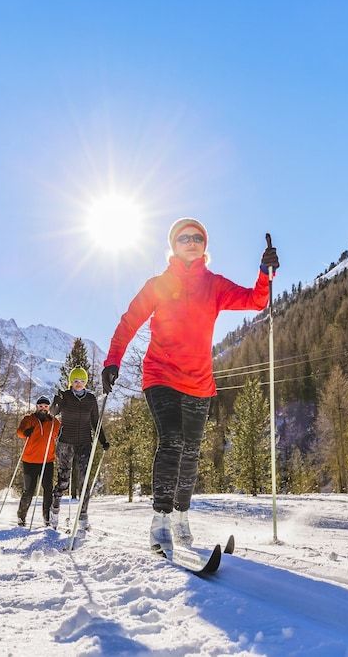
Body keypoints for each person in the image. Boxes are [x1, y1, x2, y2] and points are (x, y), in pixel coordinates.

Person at [101, 218, 279, 553]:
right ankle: (161, 521)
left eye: (198, 237)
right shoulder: (158, 284)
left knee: (192, 452)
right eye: (184, 237)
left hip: (199, 382)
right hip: (161, 375)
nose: (192, 241)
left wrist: (264, 272)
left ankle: (182, 517)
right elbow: (129, 322)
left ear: (204, 245)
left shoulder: (213, 285)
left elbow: (256, 301)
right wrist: (112, 360)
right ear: (173, 244)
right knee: (172, 440)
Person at [51, 366, 109, 530]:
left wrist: (103, 441)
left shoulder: (90, 399)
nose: (79, 384)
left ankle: (83, 517)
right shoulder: (65, 396)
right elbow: (53, 413)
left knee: (84, 482)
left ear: (86, 382)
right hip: (65, 443)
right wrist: (57, 402)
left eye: (82, 381)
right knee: (64, 481)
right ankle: (54, 511)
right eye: (76, 381)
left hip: (84, 443)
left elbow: (95, 423)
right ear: (71, 382)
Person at [15, 397, 61, 528]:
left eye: (45, 406)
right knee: (29, 490)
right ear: (37, 407)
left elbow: (61, 433)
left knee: (48, 489)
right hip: (30, 461)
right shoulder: (29, 419)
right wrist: (25, 432)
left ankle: (47, 518)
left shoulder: (54, 422)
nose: (43, 408)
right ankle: (21, 516)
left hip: (47, 461)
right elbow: (19, 432)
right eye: (40, 406)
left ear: (49, 408)